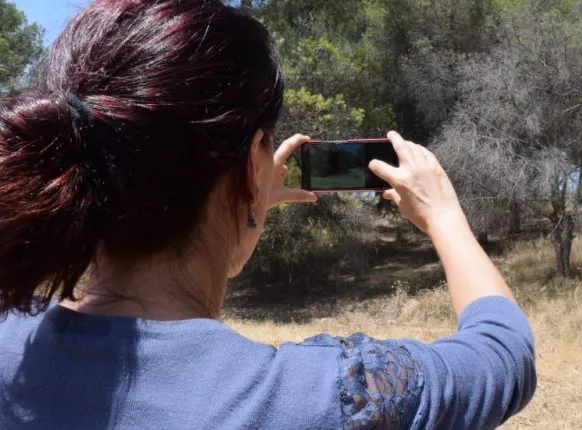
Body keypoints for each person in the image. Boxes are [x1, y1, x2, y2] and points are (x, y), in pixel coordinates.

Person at [0, 1, 536, 429]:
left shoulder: (10, 347)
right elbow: (503, 354)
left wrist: (239, 208)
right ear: (251, 162)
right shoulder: (322, 400)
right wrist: (444, 215)